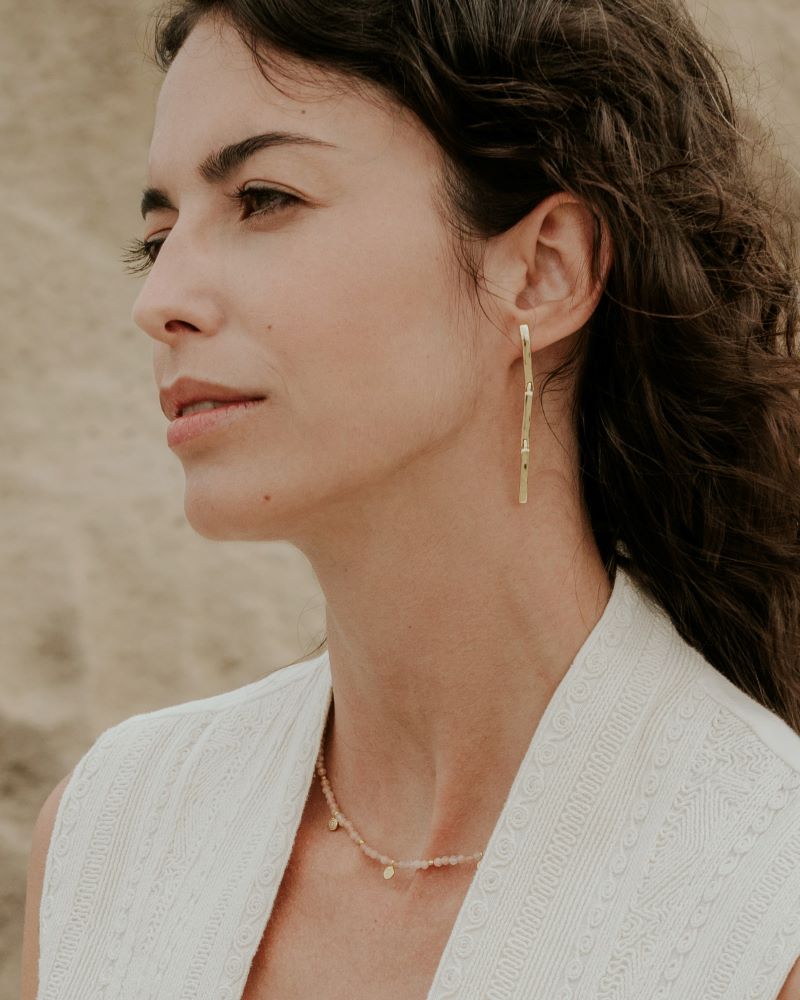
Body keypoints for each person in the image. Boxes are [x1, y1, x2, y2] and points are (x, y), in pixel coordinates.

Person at [21, 0, 800, 997]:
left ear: (541, 268)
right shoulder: (114, 831)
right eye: (158, 234)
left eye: (262, 197)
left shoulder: (759, 900)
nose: (157, 298)